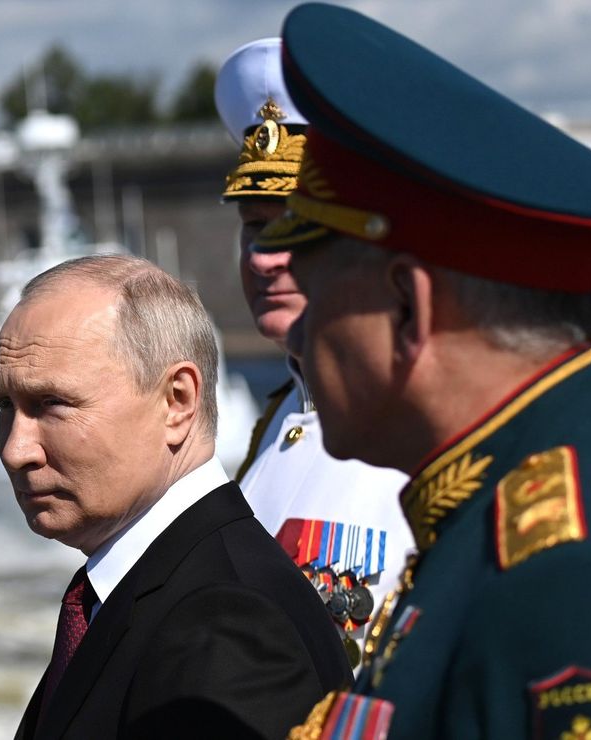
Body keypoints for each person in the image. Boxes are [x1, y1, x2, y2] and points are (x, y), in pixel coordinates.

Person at [251, 4, 591, 739]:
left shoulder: (569, 580)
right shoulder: (516, 510)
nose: (298, 327)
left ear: (405, 308)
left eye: (316, 291)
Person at [0, 253, 351, 740]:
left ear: (177, 401)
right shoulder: (154, 586)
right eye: (6, 406)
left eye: (52, 404)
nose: (16, 449)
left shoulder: (225, 624)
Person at [214, 37, 414, 669]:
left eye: (297, 226)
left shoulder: (423, 435)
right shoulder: (275, 424)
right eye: (254, 226)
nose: (264, 256)